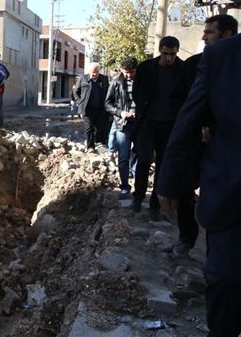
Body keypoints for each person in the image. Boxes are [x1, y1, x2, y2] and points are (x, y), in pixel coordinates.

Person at [157, 0, 241, 336]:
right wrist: (168, 183)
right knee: (227, 281)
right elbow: (189, 119)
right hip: (233, 190)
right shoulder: (223, 58)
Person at [168, 14, 238, 259]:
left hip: (228, 147)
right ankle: (186, 239)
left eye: (209, 32)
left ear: (226, 34)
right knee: (186, 192)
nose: (203, 36)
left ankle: (216, 252)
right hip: (193, 144)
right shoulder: (194, 65)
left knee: (219, 199)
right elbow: (182, 104)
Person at [131, 36, 187, 221]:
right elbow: (137, 93)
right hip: (147, 123)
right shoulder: (146, 68)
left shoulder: (183, 70)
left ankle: (155, 205)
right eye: (165, 54)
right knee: (144, 159)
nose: (169, 58)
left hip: (169, 125)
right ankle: (138, 197)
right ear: (160, 51)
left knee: (163, 165)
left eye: (172, 54)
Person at [104, 56, 138, 200]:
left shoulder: (143, 81)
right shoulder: (116, 82)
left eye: (131, 72)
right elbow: (108, 104)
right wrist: (120, 113)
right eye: (126, 72)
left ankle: (139, 186)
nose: (128, 75)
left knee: (139, 155)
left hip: (139, 124)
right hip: (122, 124)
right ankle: (124, 186)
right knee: (123, 156)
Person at [73, 62, 109, 153]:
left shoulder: (104, 79)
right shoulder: (83, 78)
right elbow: (75, 92)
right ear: (89, 71)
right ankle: (90, 147)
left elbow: (109, 93)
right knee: (89, 128)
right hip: (87, 109)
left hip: (100, 109)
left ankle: (100, 144)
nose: (94, 74)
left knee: (100, 127)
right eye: (92, 72)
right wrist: (80, 102)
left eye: (96, 72)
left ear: (99, 71)